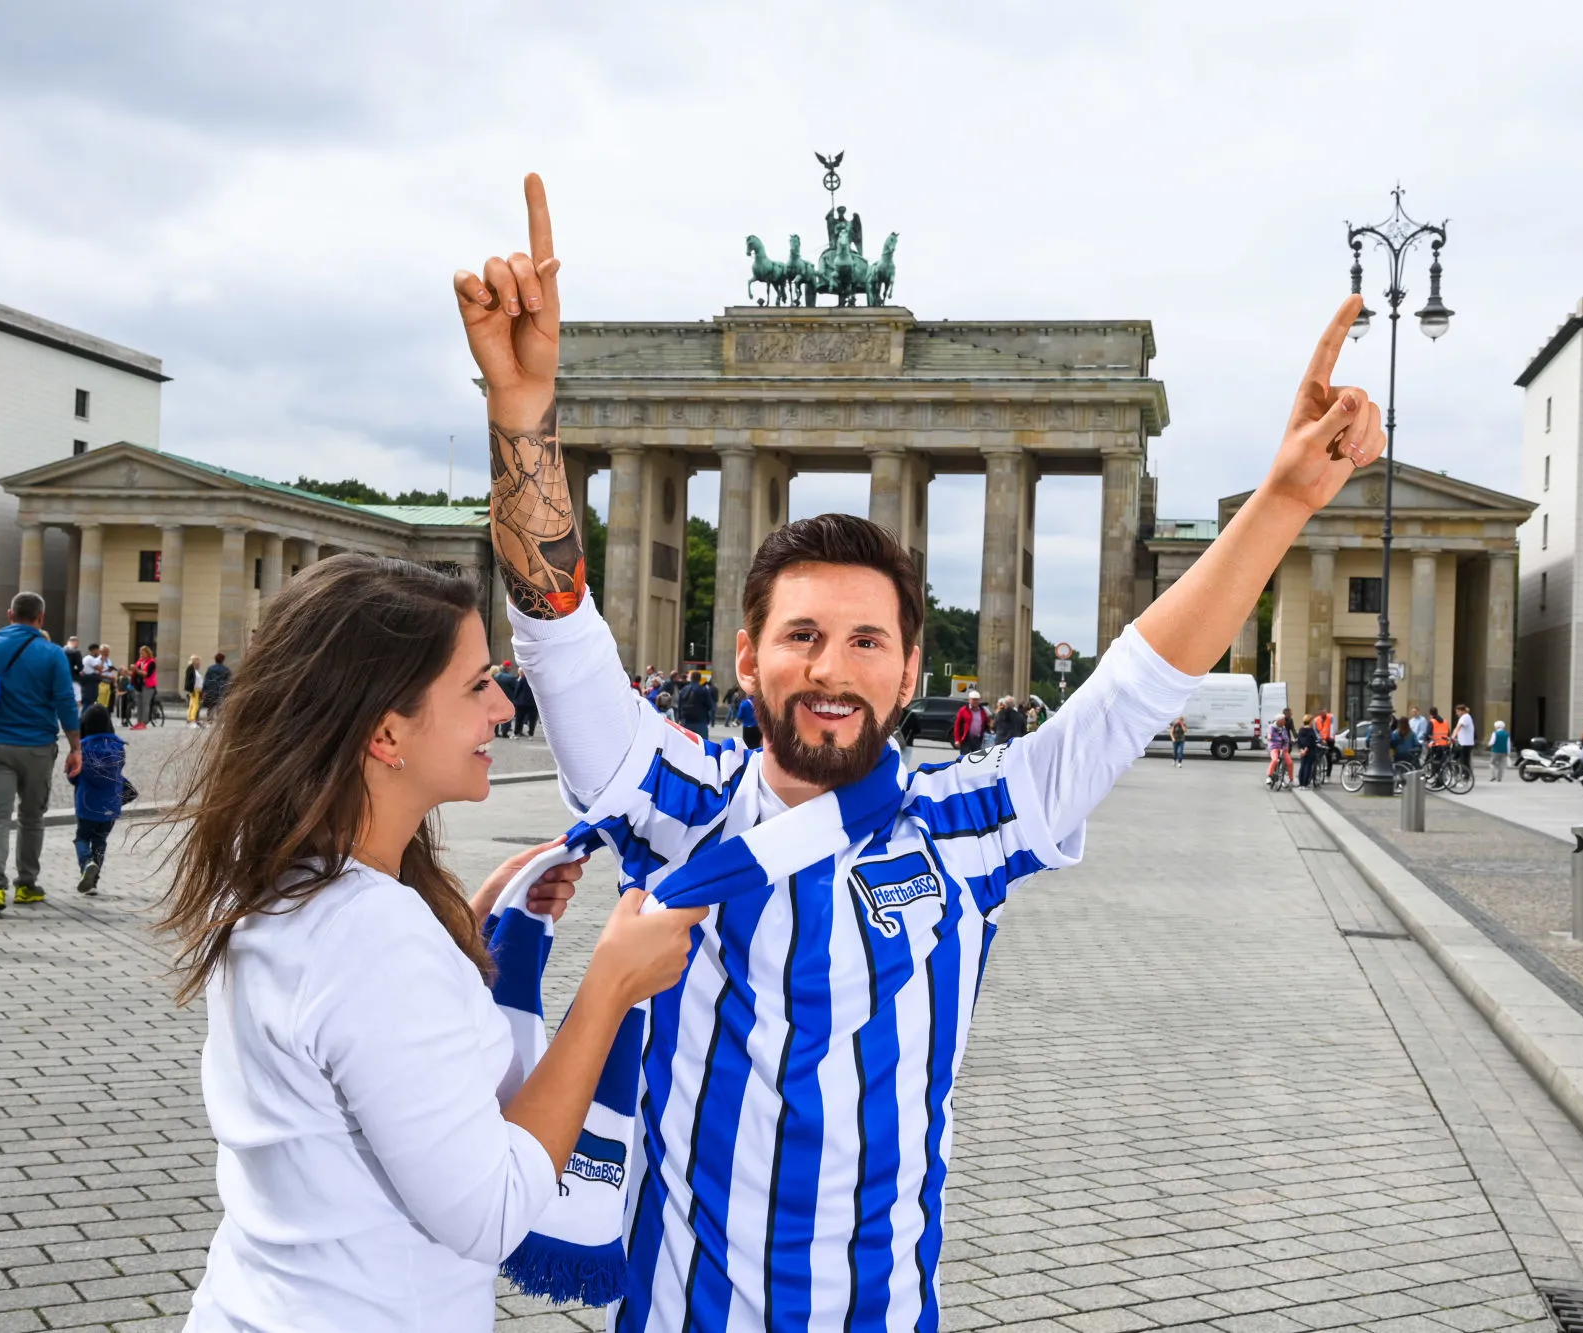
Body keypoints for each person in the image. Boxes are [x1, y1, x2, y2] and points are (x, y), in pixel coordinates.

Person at [454, 177, 1389, 1326]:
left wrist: (1283, 501)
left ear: (909, 672)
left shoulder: (970, 822)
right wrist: (522, 414)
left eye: (864, 641)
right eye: (799, 636)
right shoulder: (673, 803)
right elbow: (553, 624)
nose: (830, 669)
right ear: (747, 660)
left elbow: (1137, 682)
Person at [165, 555, 704, 1333]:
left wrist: (469, 935)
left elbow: (369, 1031)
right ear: (387, 732)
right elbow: (494, 1210)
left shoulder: (277, 866)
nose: (500, 706)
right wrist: (609, 990)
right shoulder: (372, 936)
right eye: (477, 683)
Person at [0, 592, 82, 917]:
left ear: (10, 614)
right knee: (32, 817)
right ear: (40, 618)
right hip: (38, 745)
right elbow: (66, 702)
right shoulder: (53, 654)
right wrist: (75, 747)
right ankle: (27, 884)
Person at [69, 704, 128, 896]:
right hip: (111, 804)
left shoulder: (83, 748)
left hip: (87, 804)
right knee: (100, 841)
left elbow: (73, 776)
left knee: (82, 837)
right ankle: (93, 881)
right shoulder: (119, 747)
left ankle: (87, 863)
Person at [674, 671, 715, 740]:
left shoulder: (684, 690)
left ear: (691, 678)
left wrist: (680, 719)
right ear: (700, 679)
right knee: (703, 744)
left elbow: (679, 706)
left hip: (686, 721)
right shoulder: (704, 690)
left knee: (686, 743)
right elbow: (711, 705)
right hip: (701, 721)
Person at [952, 688, 990, 755]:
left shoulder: (982, 711)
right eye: (973, 699)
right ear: (969, 700)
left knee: (976, 758)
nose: (975, 701)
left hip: (978, 739)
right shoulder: (963, 710)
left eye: (977, 700)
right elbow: (957, 726)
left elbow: (986, 723)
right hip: (966, 738)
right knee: (964, 758)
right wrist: (957, 740)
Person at [200, 651, 233, 720]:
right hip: (222, 690)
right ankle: (219, 721)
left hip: (211, 690)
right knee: (220, 706)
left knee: (211, 706)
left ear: (215, 659)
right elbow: (229, 681)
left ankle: (210, 719)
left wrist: (203, 691)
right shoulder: (226, 670)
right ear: (223, 660)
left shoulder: (210, 669)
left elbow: (206, 681)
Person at [1266, 708, 1294, 787]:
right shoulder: (1272, 727)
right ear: (1279, 721)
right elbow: (1269, 734)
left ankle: (1291, 779)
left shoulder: (1284, 727)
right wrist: (1269, 737)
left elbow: (1286, 737)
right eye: (1283, 720)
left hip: (1283, 748)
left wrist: (1290, 741)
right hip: (1274, 747)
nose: (1285, 721)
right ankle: (1269, 777)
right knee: (1275, 760)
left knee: (1290, 763)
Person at [132, 646, 158, 729]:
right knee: (139, 704)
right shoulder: (139, 662)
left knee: (145, 703)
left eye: (143, 653)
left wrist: (136, 670)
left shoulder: (151, 662)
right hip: (139, 686)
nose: (141, 655)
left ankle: (144, 722)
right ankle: (139, 722)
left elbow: (147, 674)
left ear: (148, 653)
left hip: (148, 686)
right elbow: (136, 673)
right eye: (140, 653)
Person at [494, 660, 520, 737]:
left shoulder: (496, 676)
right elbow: (516, 689)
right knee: (506, 716)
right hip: (508, 699)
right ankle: (504, 732)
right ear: (509, 668)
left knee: (496, 716)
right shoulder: (511, 678)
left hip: (497, 699)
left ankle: (495, 732)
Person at [511, 667, 538, 738]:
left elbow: (518, 689)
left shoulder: (523, 679)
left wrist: (516, 698)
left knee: (519, 718)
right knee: (532, 720)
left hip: (521, 702)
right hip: (533, 702)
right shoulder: (537, 680)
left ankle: (517, 733)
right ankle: (531, 734)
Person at [1295, 711, 1320, 787]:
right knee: (1308, 767)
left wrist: (1301, 750)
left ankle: (1301, 783)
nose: (1313, 722)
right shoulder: (1311, 730)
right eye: (1313, 721)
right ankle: (1305, 784)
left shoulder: (1301, 729)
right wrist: (1306, 749)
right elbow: (1311, 741)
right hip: (1310, 751)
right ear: (1310, 721)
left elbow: (1299, 740)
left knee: (1302, 766)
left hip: (1302, 751)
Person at [1451, 703, 1476, 772]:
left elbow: (1458, 727)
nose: (1457, 713)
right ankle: (1461, 773)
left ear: (1462, 711)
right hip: (1464, 742)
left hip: (1465, 743)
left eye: (1457, 711)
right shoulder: (1466, 717)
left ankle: (1465, 775)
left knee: (1464, 760)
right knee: (1458, 758)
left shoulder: (1465, 717)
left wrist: (1453, 737)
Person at [184, 655, 204, 727]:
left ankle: (190, 718)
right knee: (195, 705)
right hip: (195, 690)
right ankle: (192, 719)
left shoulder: (194, 670)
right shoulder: (191, 669)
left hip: (196, 690)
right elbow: (191, 681)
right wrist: (192, 690)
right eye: (198, 662)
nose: (199, 664)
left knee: (192, 704)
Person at [64, 636, 85, 705]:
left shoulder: (60, 650)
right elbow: (80, 667)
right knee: (77, 699)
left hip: (62, 678)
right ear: (76, 642)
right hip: (73, 678)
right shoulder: (76, 652)